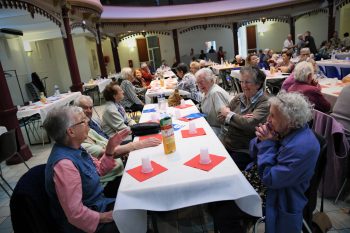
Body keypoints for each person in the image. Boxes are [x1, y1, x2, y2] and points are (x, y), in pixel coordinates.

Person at [213, 91, 320, 233]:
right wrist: (261, 140)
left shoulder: (303, 147)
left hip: (276, 195)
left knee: (223, 213)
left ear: (290, 121)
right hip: (259, 178)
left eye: (273, 116)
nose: (268, 119)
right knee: (217, 194)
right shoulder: (282, 129)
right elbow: (253, 152)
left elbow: (271, 179)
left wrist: (267, 144)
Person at [44, 105, 130, 233]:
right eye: (82, 121)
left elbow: (97, 170)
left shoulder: (75, 148)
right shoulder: (64, 165)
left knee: (136, 205)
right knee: (135, 217)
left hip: (99, 205)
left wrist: (110, 149)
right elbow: (75, 214)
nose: (88, 121)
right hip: (86, 224)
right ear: (71, 131)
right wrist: (106, 217)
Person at [74, 95, 161, 191]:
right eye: (83, 121)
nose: (89, 112)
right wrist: (133, 145)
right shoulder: (79, 144)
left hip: (118, 166)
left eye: (90, 107)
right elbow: (109, 152)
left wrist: (122, 151)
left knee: (150, 158)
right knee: (149, 179)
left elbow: (108, 146)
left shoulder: (90, 129)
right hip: (113, 178)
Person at [218, 66, 269, 170]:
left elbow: (249, 124)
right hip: (228, 143)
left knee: (225, 170)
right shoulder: (239, 97)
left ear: (258, 84)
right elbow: (219, 117)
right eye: (241, 81)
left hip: (244, 150)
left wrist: (229, 114)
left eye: (247, 82)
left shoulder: (265, 102)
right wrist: (240, 118)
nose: (243, 85)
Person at [195, 68, 230, 137]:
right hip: (210, 125)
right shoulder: (207, 91)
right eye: (197, 83)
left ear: (211, 80)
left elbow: (224, 118)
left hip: (219, 130)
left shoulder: (215, 93)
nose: (199, 85)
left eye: (201, 82)